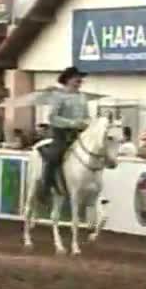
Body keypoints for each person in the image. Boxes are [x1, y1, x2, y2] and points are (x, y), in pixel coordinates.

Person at [41, 66, 90, 194]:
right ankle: (46, 184)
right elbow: (52, 117)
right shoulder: (59, 96)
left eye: (80, 78)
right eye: (76, 78)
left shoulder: (82, 97)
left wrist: (87, 123)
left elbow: (86, 116)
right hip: (61, 133)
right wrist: (71, 123)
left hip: (78, 133)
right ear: (68, 79)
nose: (80, 80)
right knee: (56, 154)